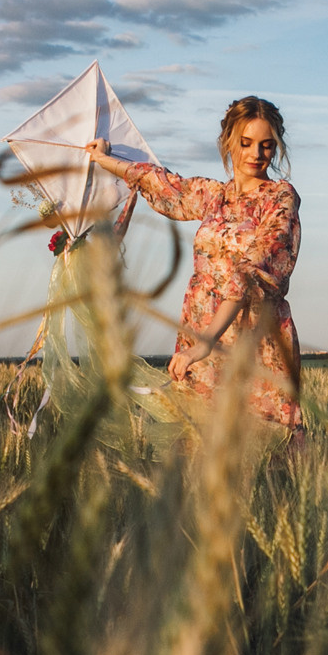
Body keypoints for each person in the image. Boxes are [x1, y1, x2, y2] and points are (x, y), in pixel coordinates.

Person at [86, 96, 303, 434]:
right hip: (202, 333)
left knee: (259, 449)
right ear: (228, 141)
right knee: (200, 444)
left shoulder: (279, 198)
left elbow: (251, 272)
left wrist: (205, 342)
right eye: (246, 142)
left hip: (253, 340)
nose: (256, 154)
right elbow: (161, 184)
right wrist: (103, 159)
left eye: (267, 145)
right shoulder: (213, 196)